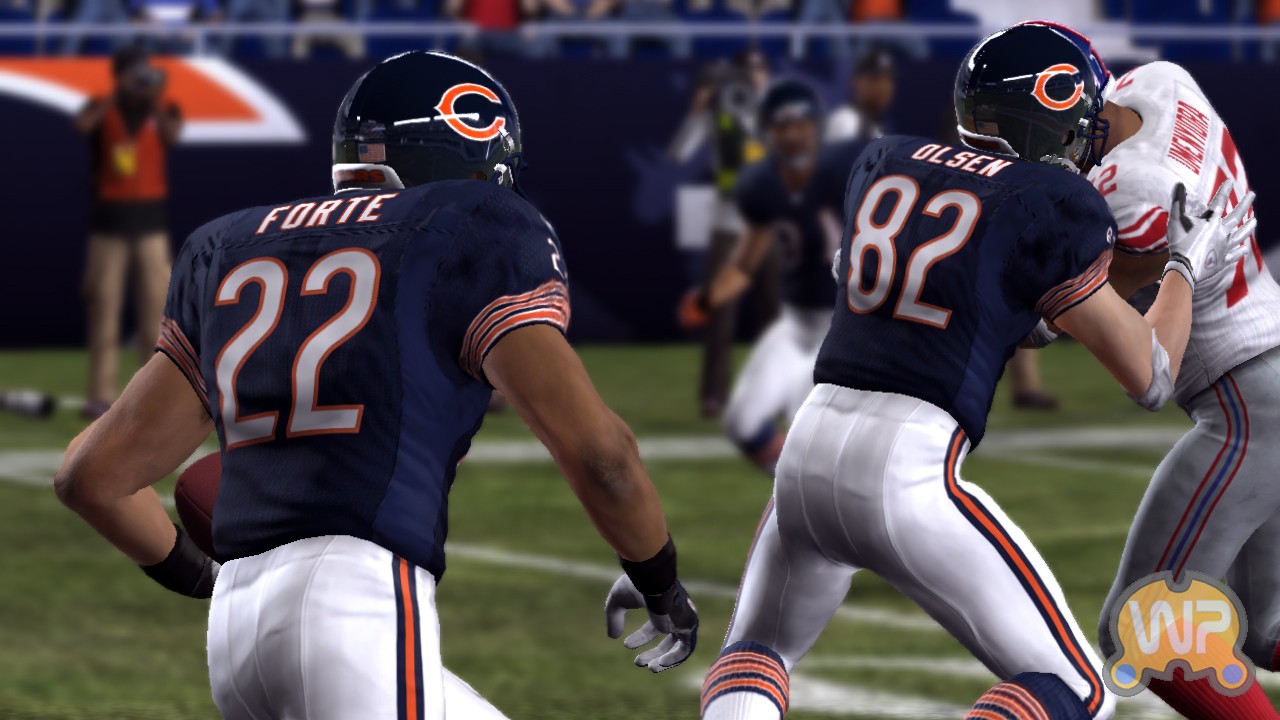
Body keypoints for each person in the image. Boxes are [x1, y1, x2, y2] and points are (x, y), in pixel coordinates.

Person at [53, 51, 698, 719]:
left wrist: (202, 578)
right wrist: (659, 580)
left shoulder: (225, 247)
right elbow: (603, 459)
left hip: (236, 630)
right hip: (356, 601)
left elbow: (89, 477)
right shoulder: (471, 226)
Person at [698, 24, 1252, 720]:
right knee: (1074, 687)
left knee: (757, 650)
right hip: (906, 467)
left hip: (805, 453)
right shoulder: (1051, 206)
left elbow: (885, 278)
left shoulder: (884, 161)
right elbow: (1152, 377)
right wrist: (1185, 263)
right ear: (1053, 122)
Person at [1021, 21, 1280, 720]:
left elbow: (1092, 334)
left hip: (1250, 401)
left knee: (1148, 628)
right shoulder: (1158, 81)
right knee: (1267, 629)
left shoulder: (1134, 195)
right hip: (1268, 353)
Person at [678, 79, 863, 476]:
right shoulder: (761, 186)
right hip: (796, 322)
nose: (792, 135)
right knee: (741, 422)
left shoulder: (846, 172)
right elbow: (745, 264)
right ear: (767, 132)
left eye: (800, 125)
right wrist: (708, 299)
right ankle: (796, 492)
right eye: (782, 126)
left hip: (844, 324)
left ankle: (818, 495)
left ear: (816, 127)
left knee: (805, 426)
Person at [73, 45, 182, 420]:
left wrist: (154, 100)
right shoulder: (101, 108)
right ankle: (100, 395)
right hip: (109, 225)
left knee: (156, 314)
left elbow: (172, 137)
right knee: (104, 310)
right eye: (133, 74)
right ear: (119, 76)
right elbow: (82, 125)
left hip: (151, 225)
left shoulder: (163, 109)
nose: (140, 80)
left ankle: (151, 393)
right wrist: (114, 96)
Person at [668, 48, 773, 419]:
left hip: (772, 223)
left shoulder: (778, 111)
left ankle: (776, 395)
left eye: (760, 72)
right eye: (748, 72)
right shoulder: (719, 111)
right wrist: (699, 112)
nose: (754, 79)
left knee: (776, 314)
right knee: (720, 310)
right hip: (730, 221)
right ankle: (714, 394)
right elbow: (679, 153)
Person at [824, 45, 895, 142]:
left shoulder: (877, 125)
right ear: (856, 82)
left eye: (887, 81)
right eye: (875, 79)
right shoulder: (845, 121)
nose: (882, 88)